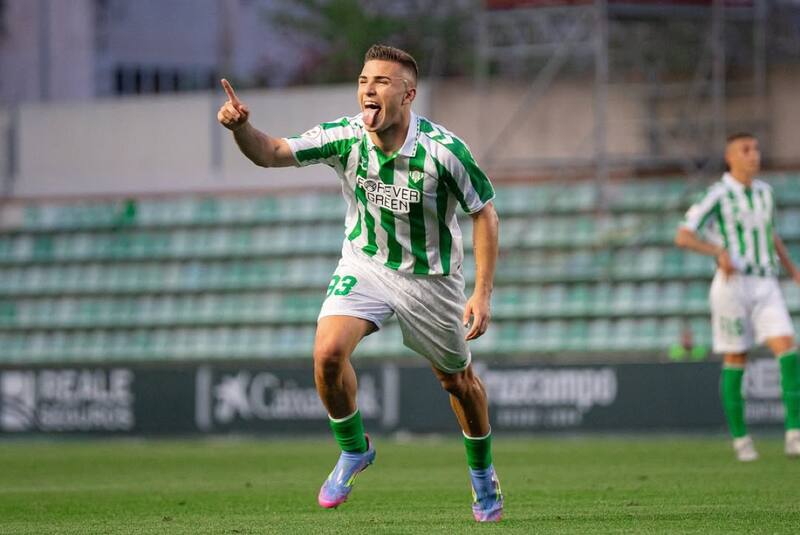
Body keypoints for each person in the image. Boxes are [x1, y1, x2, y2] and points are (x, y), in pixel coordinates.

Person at [217, 44, 503, 521]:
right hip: (365, 265)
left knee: (458, 383)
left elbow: (485, 214)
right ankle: (354, 449)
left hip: (430, 280)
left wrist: (482, 291)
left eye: (383, 82)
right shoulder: (346, 137)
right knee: (328, 354)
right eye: (364, 81)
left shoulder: (444, 152)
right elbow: (272, 153)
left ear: (409, 94)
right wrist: (242, 127)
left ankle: (482, 475)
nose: (369, 89)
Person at [675, 132, 800, 461]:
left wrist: (793, 270)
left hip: (766, 281)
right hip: (733, 286)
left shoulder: (765, 193)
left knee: (788, 348)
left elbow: (769, 235)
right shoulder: (718, 195)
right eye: (746, 150)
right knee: (737, 358)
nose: (754, 155)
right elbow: (683, 235)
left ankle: (794, 434)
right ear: (731, 157)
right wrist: (718, 251)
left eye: (757, 148)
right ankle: (741, 439)